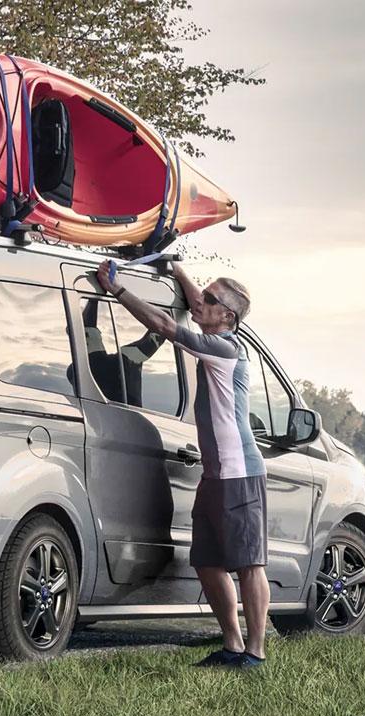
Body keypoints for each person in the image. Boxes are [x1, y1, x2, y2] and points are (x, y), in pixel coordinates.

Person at [96, 260, 268, 670]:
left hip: (240, 474)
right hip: (214, 474)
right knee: (208, 562)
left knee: (248, 564)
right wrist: (176, 268)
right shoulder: (218, 326)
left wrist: (116, 288)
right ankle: (232, 646)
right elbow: (194, 302)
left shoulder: (224, 348)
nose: (199, 303)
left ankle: (256, 653)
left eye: (209, 300)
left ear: (227, 316)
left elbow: (166, 326)